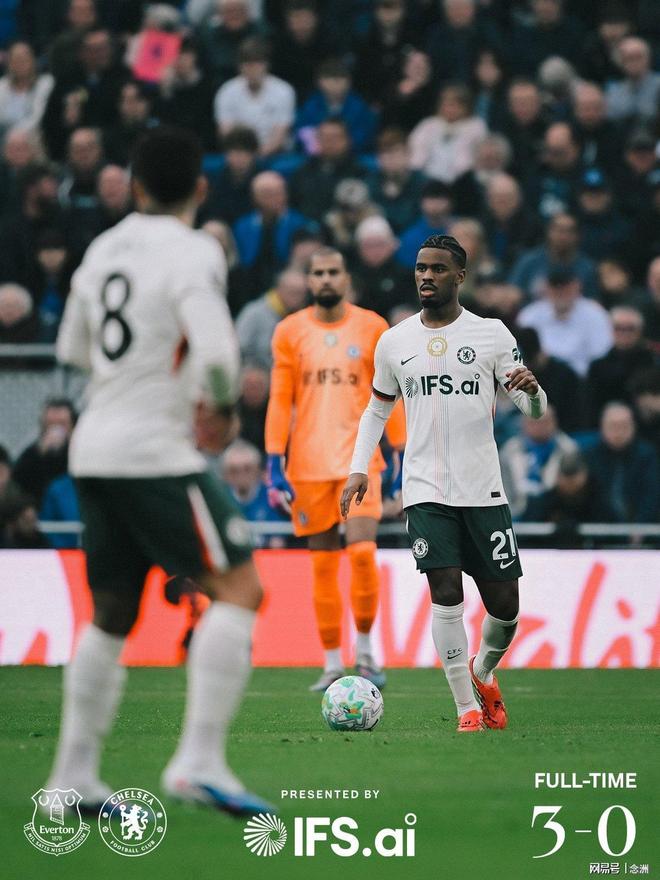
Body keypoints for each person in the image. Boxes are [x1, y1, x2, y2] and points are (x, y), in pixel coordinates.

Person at [47, 125, 274, 816]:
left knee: (112, 612)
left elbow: (73, 347)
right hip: (153, 452)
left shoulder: (101, 249)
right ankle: (198, 762)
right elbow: (218, 351)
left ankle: (70, 781)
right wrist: (221, 408)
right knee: (240, 588)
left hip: (94, 448)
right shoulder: (195, 249)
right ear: (200, 188)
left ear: (135, 186)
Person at [341, 234, 548, 733]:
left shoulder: (492, 334)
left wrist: (535, 391)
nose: (426, 276)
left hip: (484, 490)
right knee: (446, 593)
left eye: (437, 268)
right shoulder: (394, 341)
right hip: (424, 490)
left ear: (460, 276)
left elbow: (532, 409)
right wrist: (358, 467)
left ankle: (483, 671)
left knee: (506, 609)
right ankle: (465, 709)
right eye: (420, 268)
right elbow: (376, 410)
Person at [265, 246, 406, 691]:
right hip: (307, 466)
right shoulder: (289, 331)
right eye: (318, 273)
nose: (326, 279)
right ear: (309, 280)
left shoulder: (373, 327)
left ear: (346, 279)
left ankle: (365, 654)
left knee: (362, 555)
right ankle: (331, 663)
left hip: (360, 463)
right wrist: (273, 457)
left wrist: (400, 450)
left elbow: (389, 393)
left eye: (333, 272)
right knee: (323, 566)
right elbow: (280, 398)